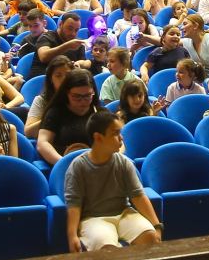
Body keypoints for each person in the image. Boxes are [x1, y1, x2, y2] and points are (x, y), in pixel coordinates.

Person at [63, 108, 163, 252]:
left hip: (124, 213)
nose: (121, 138)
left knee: (151, 238)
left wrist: (156, 226)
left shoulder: (124, 162)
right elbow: (74, 205)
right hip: (93, 219)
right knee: (108, 249)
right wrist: (72, 235)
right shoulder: (78, 167)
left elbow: (138, 196)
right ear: (98, 138)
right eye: (115, 133)